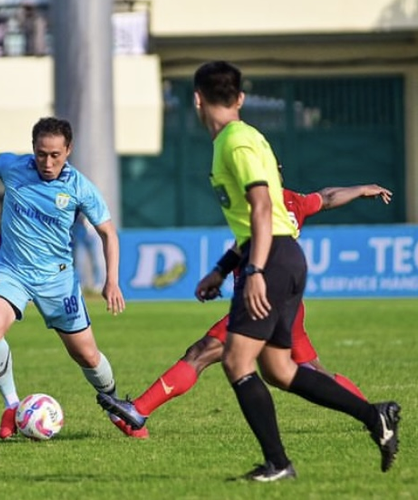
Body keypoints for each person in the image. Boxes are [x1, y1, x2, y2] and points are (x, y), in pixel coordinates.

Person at [114, 61, 399, 481]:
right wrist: (222, 269)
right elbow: (255, 220)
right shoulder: (241, 139)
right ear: (241, 98)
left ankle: (278, 463)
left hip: (273, 259)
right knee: (280, 370)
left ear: (196, 99)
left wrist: (257, 270)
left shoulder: (235, 142)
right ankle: (375, 416)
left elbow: (263, 208)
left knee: (234, 360)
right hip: (279, 257)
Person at [98, 180, 393, 436]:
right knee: (309, 370)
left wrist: (223, 272)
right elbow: (326, 197)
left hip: (261, 298)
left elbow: (254, 241)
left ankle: (138, 411)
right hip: (286, 302)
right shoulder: (292, 201)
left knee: (201, 353)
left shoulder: (259, 207)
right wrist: (362, 189)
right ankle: (374, 414)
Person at [0, 116, 146, 439]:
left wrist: (112, 280)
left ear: (68, 150)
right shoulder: (13, 166)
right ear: (33, 149)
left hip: (58, 281)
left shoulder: (79, 187)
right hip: (11, 271)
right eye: (41, 153)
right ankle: (12, 405)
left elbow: (108, 233)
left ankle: (115, 405)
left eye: (55, 154)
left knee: (86, 354)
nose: (47, 161)